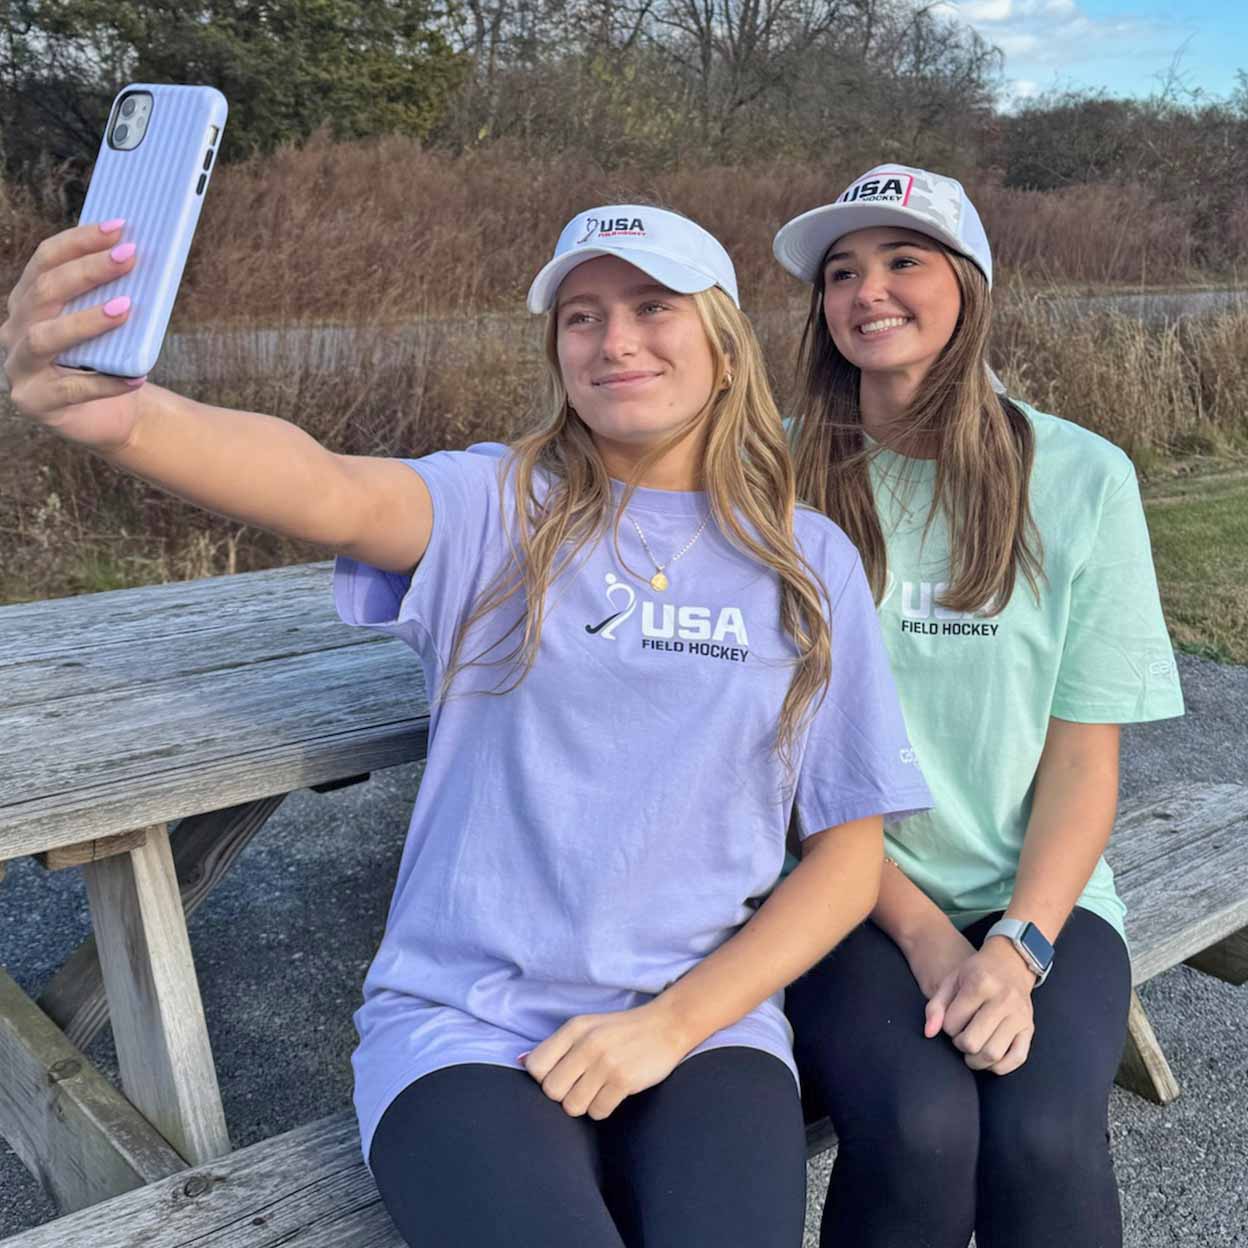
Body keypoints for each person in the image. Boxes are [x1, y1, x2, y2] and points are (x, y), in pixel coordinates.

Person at [1, 204, 931, 1246]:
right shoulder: (498, 507)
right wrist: (125, 417)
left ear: (721, 338)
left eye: (651, 306)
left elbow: (848, 860)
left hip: (706, 1023)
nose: (615, 340)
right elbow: (326, 485)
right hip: (467, 1028)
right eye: (581, 317)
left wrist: (670, 1025)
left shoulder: (809, 562)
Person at [771, 164, 1186, 1248]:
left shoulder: (1082, 477)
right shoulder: (773, 474)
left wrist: (1017, 947)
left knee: (1043, 1136)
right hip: (843, 891)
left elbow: (1082, 762)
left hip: (1040, 896)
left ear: (970, 286)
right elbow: (774, 753)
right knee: (919, 1128)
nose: (869, 292)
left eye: (904, 261)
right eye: (843, 272)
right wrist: (924, 939)